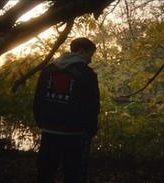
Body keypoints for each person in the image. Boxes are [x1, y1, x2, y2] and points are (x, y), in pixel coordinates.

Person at [33, 37, 100, 183]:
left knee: (45, 171)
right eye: (90, 54)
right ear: (82, 50)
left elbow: (38, 98)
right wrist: (91, 129)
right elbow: (92, 105)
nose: (90, 60)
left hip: (49, 131)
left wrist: (41, 122)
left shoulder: (48, 70)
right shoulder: (87, 74)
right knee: (74, 174)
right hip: (75, 134)